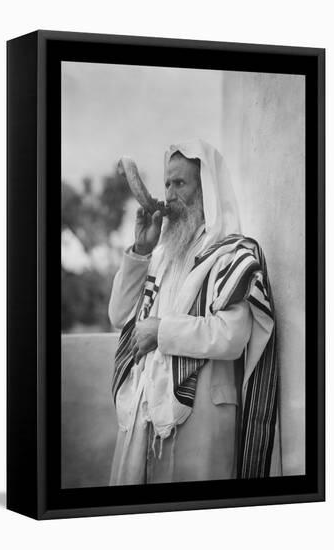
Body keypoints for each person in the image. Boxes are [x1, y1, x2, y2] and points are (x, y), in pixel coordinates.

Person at [108, 139, 281, 485]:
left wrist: (161, 332)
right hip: (147, 416)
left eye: (180, 183)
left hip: (202, 419)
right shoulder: (161, 255)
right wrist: (141, 250)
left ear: (207, 192)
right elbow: (118, 316)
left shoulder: (232, 254)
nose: (169, 194)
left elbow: (232, 337)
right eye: (167, 183)